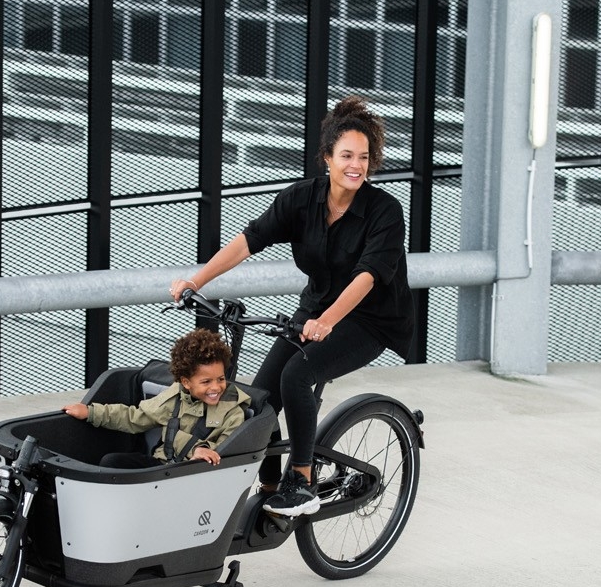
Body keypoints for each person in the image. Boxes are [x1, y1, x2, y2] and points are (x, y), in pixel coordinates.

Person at [167, 96, 413, 517]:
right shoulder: (301, 199)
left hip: (370, 320)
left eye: (364, 157)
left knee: (297, 375)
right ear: (328, 158)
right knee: (258, 400)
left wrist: (327, 322)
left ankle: (302, 481)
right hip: (315, 309)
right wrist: (196, 280)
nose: (356, 165)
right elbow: (250, 240)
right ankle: (269, 486)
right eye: (347, 156)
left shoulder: (384, 211)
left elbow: (367, 276)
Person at [63, 328, 251, 468]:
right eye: (206, 382)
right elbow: (135, 417)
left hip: (192, 474)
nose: (216, 387)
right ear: (186, 382)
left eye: (221, 379)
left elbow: (225, 452)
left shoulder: (233, 412)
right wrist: (91, 412)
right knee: (112, 461)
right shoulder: (175, 398)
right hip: (161, 467)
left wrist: (195, 449)